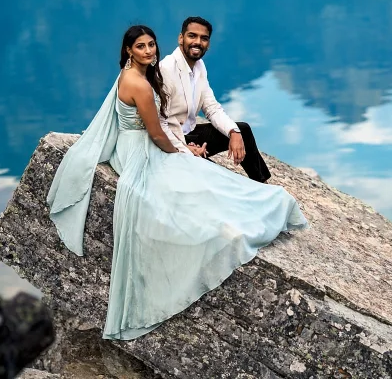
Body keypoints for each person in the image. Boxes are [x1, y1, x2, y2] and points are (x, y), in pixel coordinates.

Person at [46, 25, 308, 341]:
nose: (148, 51)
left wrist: (205, 141)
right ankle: (245, 212)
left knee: (232, 141)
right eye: (141, 47)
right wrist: (182, 152)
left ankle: (259, 191)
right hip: (142, 148)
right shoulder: (143, 81)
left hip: (156, 139)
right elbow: (157, 132)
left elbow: (206, 108)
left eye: (151, 45)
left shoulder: (149, 74)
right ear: (129, 50)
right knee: (189, 184)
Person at [159, 16, 271, 182]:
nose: (197, 42)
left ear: (208, 44)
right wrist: (185, 148)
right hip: (170, 141)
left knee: (242, 130)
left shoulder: (199, 67)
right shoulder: (166, 69)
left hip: (190, 134)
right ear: (180, 38)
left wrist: (233, 132)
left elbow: (212, 108)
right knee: (220, 177)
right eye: (192, 36)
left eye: (204, 38)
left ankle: (261, 183)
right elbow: (158, 123)